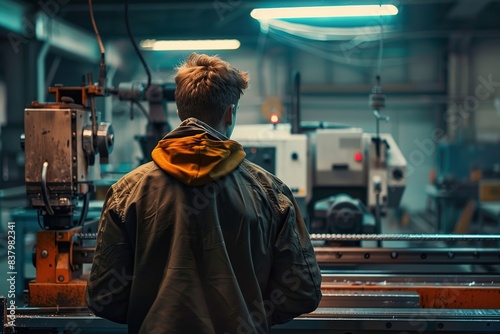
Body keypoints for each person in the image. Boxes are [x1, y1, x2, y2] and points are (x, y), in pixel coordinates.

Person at [86, 53, 322, 334]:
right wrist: (252, 313)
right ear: (229, 113)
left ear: (179, 111)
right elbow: (303, 291)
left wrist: (152, 315)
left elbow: (103, 297)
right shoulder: (271, 193)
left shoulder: (127, 192)